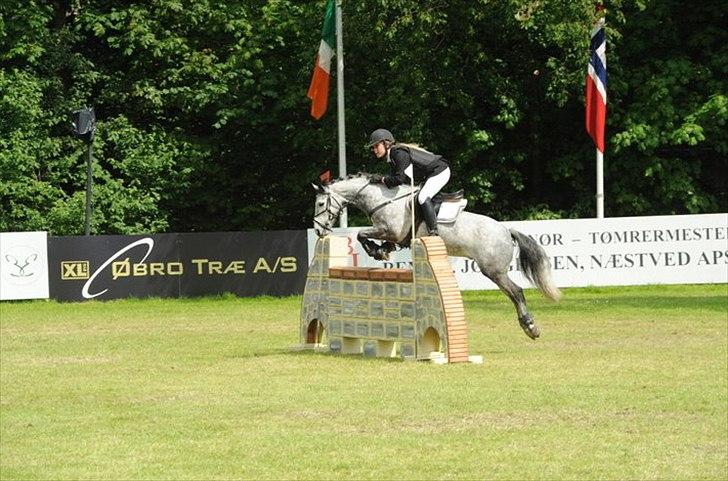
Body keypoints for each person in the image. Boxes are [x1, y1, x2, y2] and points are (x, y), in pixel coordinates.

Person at [367, 128, 451, 236]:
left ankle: (433, 231)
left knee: (422, 197)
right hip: (431, 173)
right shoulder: (392, 156)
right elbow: (397, 180)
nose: (374, 150)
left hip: (440, 171)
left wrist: (382, 179)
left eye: (376, 146)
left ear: (385, 143)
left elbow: (399, 179)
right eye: (373, 147)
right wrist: (383, 180)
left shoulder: (398, 153)